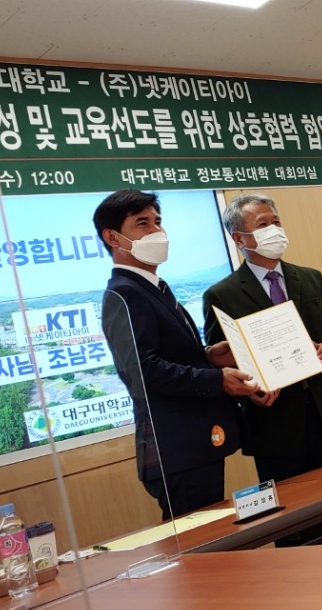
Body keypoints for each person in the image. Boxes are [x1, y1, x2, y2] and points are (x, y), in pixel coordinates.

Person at [96, 189, 262, 520]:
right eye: (142, 223)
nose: (156, 231)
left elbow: (166, 354)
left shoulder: (153, 286)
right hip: (176, 447)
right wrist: (216, 380)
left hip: (195, 443)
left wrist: (208, 356)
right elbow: (144, 371)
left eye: (158, 222)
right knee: (200, 542)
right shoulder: (124, 294)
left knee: (215, 534)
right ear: (112, 237)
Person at [203, 193, 322, 485]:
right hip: (273, 426)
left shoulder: (311, 278)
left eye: (276, 222)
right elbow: (223, 362)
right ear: (239, 238)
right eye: (262, 225)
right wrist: (250, 391)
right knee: (294, 509)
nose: (274, 230)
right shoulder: (221, 295)